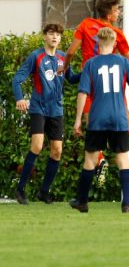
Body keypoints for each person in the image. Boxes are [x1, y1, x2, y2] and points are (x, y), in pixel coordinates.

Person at [60, 0, 129, 182]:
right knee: (125, 117)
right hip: (112, 83)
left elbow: (70, 52)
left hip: (91, 79)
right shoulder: (116, 33)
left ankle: (100, 160)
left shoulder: (86, 24)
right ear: (109, 14)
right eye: (117, 10)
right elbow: (128, 59)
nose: (119, 13)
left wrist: (65, 67)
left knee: (90, 123)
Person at [70, 27, 129, 213]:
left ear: (98, 43)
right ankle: (126, 205)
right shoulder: (122, 62)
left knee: (90, 160)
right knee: (123, 160)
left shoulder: (90, 64)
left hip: (97, 118)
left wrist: (78, 121)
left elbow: (83, 93)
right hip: (119, 118)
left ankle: (82, 202)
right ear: (114, 44)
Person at [12, 23, 79, 204]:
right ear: (45, 37)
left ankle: (44, 192)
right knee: (37, 146)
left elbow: (71, 78)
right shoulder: (36, 56)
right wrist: (19, 98)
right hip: (38, 107)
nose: (54, 37)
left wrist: (87, 72)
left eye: (57, 34)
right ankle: (20, 189)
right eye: (51, 34)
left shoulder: (63, 57)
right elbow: (17, 79)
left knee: (57, 151)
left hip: (56, 110)